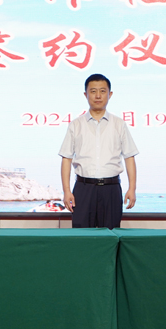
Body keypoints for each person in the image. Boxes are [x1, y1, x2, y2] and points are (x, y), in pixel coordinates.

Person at [59, 73, 138, 228]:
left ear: (110, 94)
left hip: (111, 189)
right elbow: (66, 158)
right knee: (81, 235)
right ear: (85, 95)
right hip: (83, 189)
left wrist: (132, 188)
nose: (98, 96)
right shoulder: (76, 124)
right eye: (93, 91)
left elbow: (129, 157)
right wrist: (66, 191)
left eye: (102, 91)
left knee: (111, 234)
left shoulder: (119, 124)